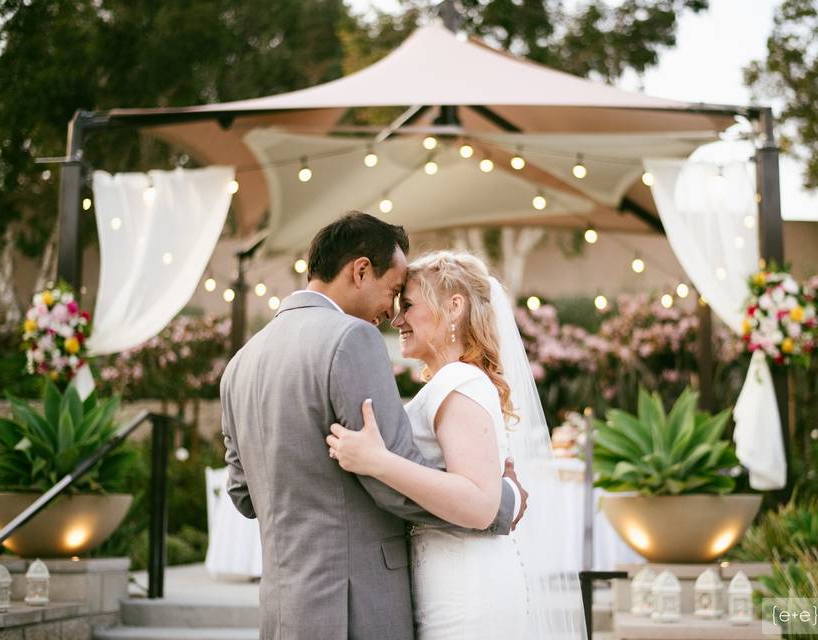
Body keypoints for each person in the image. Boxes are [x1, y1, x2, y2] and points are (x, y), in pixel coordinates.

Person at [219, 213, 527, 640]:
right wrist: (495, 506)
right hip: (354, 601)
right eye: (394, 291)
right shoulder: (350, 339)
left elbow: (243, 494)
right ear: (360, 270)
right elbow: (389, 482)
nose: (392, 312)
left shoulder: (240, 363)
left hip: (282, 602)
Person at [327, 250, 588, 639]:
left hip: (468, 594)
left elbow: (481, 504)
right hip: (454, 579)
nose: (397, 319)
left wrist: (377, 461)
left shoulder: (460, 384)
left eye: (409, 306)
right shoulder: (452, 383)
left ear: (453, 307)